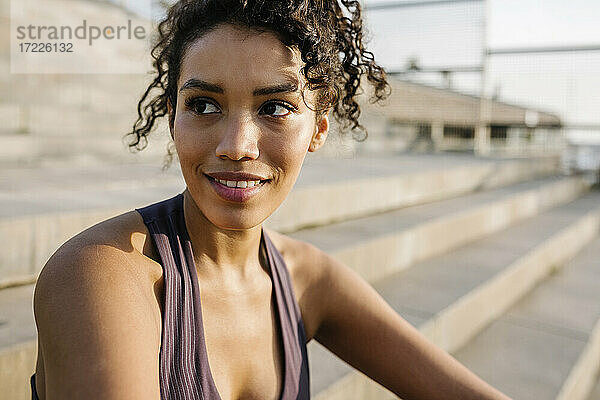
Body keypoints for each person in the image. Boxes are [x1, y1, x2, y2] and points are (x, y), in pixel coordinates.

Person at [30, 0, 512, 399]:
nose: (236, 145)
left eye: (275, 107)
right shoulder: (101, 272)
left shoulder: (308, 280)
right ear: (173, 114)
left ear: (318, 129)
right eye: (203, 105)